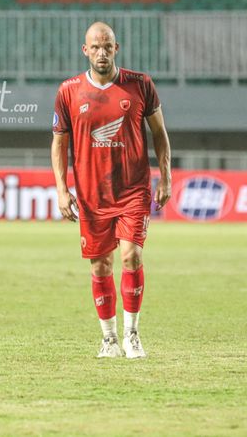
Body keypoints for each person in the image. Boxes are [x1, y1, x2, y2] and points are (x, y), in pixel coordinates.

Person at [51, 22, 171, 359]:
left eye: (107, 46)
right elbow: (59, 143)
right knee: (100, 266)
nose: (101, 53)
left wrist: (166, 176)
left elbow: (160, 133)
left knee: (132, 255)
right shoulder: (69, 91)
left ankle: (132, 334)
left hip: (133, 190)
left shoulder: (140, 85)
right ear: (85, 50)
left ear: (116, 49)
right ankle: (109, 339)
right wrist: (62, 189)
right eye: (95, 47)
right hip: (92, 196)